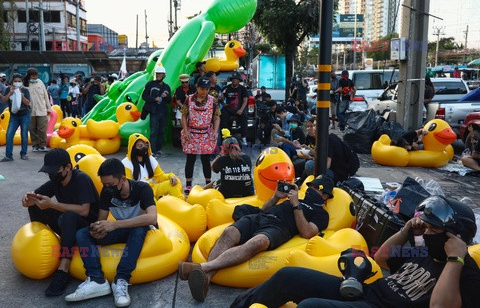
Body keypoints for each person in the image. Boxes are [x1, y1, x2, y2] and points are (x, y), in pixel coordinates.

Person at [231, 195, 480, 308]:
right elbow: (381, 258)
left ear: (454, 237)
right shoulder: (423, 248)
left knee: (311, 306)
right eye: (425, 227)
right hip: (369, 293)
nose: (425, 233)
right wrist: (406, 231)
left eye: (433, 229)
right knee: (289, 276)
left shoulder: (466, 273)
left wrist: (455, 259)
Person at [179, 175, 332, 302]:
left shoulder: (321, 214)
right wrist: (275, 197)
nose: (311, 189)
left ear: (325, 195)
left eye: (316, 188)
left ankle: (200, 268)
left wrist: (295, 205)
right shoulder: (295, 198)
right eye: (310, 185)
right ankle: (206, 277)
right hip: (260, 217)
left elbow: (306, 232)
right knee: (229, 233)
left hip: (279, 227)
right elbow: (263, 209)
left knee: (259, 242)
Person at [65, 158, 157, 307]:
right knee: (83, 233)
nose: (107, 188)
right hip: (120, 230)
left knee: (139, 229)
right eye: (104, 184)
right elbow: (102, 219)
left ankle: (121, 280)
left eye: (110, 184)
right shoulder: (107, 192)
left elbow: (152, 218)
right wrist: (97, 229)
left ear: (122, 179)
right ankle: (96, 279)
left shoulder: (142, 189)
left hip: (139, 228)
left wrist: (115, 225)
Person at [21, 148, 99, 296]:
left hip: (87, 228)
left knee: (69, 216)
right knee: (37, 207)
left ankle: (63, 269)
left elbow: (84, 211)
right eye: (48, 171)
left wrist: (53, 204)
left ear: (68, 167)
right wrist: (28, 200)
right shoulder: (56, 180)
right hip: (67, 224)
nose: (51, 175)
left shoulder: (81, 179)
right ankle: (41, 246)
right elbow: (35, 198)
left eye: (54, 170)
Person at [180, 76, 220, 195]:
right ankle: (188, 185)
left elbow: (217, 117)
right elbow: (183, 115)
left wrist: (215, 131)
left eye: (207, 89)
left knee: (205, 159)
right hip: (191, 132)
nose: (204, 92)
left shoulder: (213, 100)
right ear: (197, 88)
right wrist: (185, 131)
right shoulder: (189, 99)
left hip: (206, 133)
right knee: (190, 158)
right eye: (202, 89)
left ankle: (208, 183)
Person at [122, 133, 184, 200]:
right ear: (133, 147)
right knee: (150, 200)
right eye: (140, 146)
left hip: (152, 188)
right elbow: (127, 187)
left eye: (145, 145)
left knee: (173, 184)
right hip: (139, 193)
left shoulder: (150, 159)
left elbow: (160, 177)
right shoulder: (126, 163)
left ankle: (183, 206)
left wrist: (170, 176)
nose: (144, 148)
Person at [209, 132, 254, 198]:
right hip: (247, 193)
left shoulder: (222, 159)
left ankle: (197, 194)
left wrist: (220, 155)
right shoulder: (246, 158)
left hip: (227, 194)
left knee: (215, 183)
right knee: (250, 179)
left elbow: (212, 168)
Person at [141, 65, 171, 157]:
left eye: (160, 74)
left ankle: (158, 150)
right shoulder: (150, 84)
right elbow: (144, 96)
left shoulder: (166, 87)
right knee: (153, 131)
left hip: (163, 112)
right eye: (157, 73)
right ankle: (152, 151)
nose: (158, 75)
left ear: (164, 75)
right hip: (154, 112)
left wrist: (166, 97)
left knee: (161, 131)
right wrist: (154, 99)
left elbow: (169, 100)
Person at [0, 73, 31, 161]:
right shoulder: (8, 89)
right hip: (14, 116)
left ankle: (23, 153)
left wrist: (21, 95)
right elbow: (4, 100)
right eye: (15, 81)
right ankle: (8, 155)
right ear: (12, 81)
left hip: (25, 115)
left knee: (24, 134)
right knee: (9, 134)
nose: (17, 83)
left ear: (22, 82)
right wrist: (10, 92)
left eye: (19, 81)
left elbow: (27, 103)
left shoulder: (25, 90)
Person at [25, 68, 51, 152]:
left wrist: (48, 107)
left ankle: (43, 145)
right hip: (30, 111)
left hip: (41, 109)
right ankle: (35, 145)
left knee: (42, 128)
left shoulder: (40, 82)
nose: (35, 77)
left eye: (36, 75)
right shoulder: (25, 84)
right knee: (32, 128)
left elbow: (46, 96)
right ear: (29, 76)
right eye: (33, 76)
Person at [220, 71, 249, 145]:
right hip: (229, 109)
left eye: (236, 79)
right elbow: (221, 96)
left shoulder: (243, 89)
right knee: (223, 116)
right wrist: (223, 103)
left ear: (239, 80)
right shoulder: (227, 88)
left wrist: (241, 110)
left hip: (239, 108)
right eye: (233, 79)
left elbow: (245, 100)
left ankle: (243, 138)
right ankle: (224, 137)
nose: (234, 80)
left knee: (244, 117)